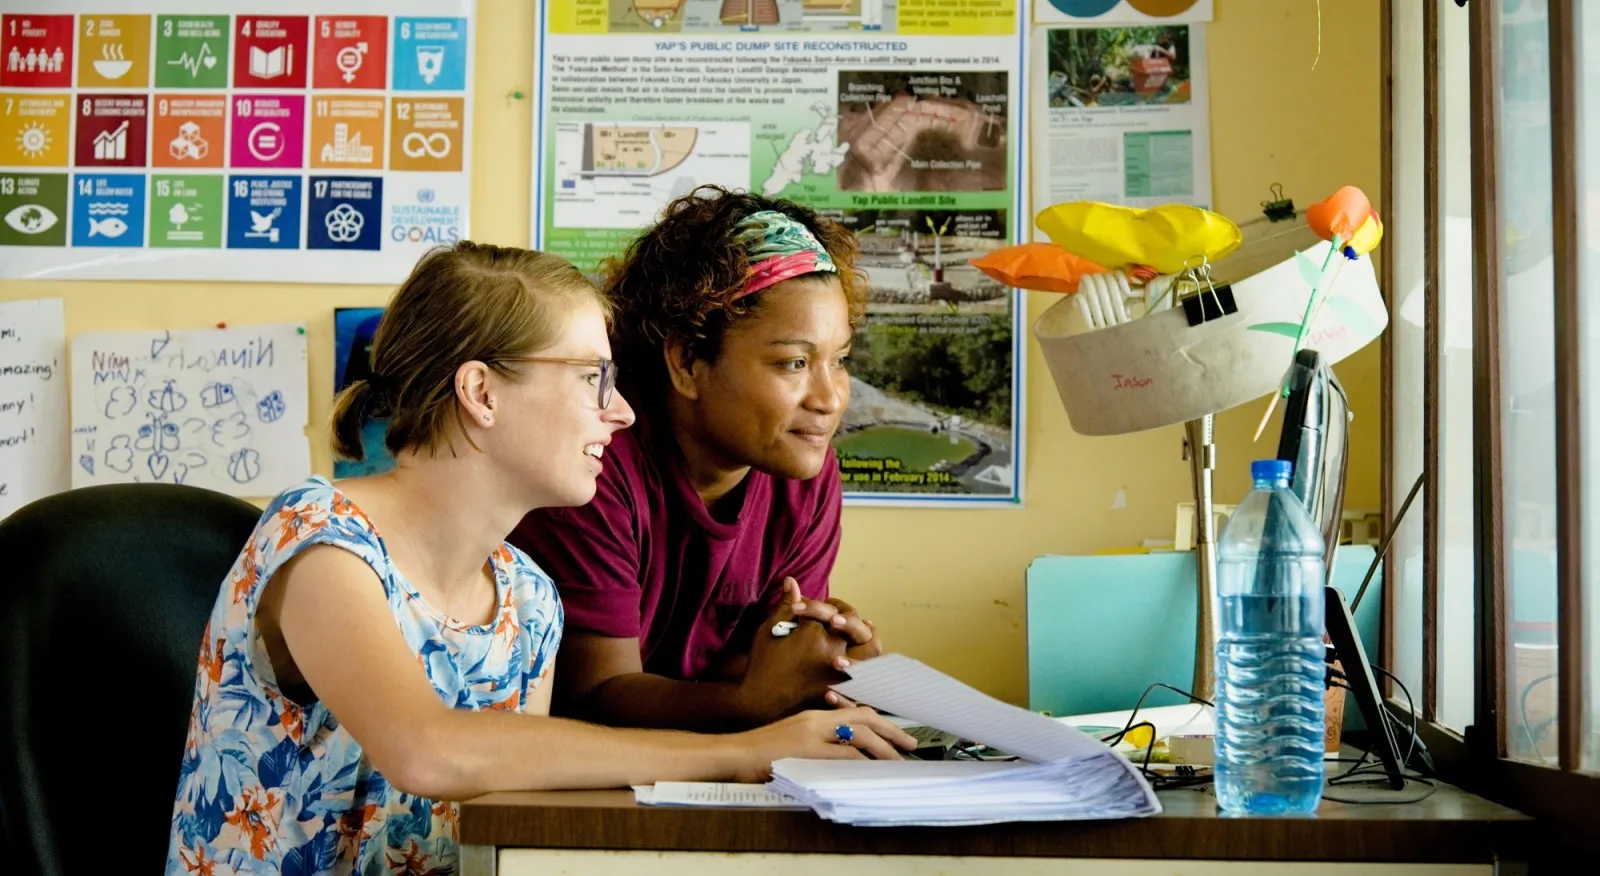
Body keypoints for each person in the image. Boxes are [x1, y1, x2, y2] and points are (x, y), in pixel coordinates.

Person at [164, 242, 912, 876]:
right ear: (481, 391)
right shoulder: (321, 538)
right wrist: (743, 751)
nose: (620, 412)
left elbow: (525, 798)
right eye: (595, 379)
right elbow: (427, 751)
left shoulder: (528, 598)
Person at [510, 187, 881, 734]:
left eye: (840, 360)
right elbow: (595, 695)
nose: (828, 398)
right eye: (794, 362)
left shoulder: (805, 474)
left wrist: (821, 659)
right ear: (686, 360)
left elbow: (746, 665)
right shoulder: (596, 463)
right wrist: (757, 703)